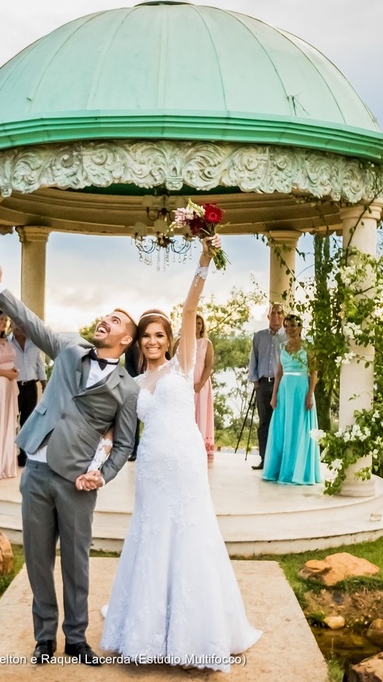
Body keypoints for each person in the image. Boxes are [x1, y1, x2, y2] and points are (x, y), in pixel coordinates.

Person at [97, 238, 262, 671]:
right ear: (138, 343)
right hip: (151, 465)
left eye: (159, 335)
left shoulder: (182, 365)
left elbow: (190, 310)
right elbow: (118, 433)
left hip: (186, 462)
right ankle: (146, 633)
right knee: (152, 536)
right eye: (147, 336)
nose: (153, 342)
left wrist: (204, 260)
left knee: (191, 535)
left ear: (170, 339)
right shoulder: (130, 384)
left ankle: (197, 636)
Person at [0, 266, 139, 666]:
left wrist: (101, 475)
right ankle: (42, 639)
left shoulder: (127, 388)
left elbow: (124, 443)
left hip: (77, 481)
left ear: (126, 340)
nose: (106, 321)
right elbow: (32, 325)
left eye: (116, 320)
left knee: (76, 562)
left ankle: (76, 639)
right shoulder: (70, 348)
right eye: (107, 315)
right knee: (37, 560)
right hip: (35, 469)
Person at [262, 314, 321, 485]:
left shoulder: (308, 346)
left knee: (299, 428)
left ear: (300, 327)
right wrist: (274, 395)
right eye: (286, 326)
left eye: (293, 326)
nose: (289, 329)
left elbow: (314, 372)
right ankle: (279, 469)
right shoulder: (282, 346)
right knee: (283, 428)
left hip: (301, 389)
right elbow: (278, 373)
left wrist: (310, 394)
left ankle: (299, 471)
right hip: (284, 390)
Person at [247, 302, 286, 470]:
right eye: (273, 313)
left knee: (281, 422)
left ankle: (280, 461)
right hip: (263, 384)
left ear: (283, 316)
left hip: (283, 386)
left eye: (280, 313)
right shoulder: (259, 336)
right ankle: (265, 459)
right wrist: (256, 383)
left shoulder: (288, 336)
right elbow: (253, 359)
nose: (276, 316)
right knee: (264, 423)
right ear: (268, 316)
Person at [9, 320, 46, 468]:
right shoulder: (7, 343)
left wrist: (44, 383)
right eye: (15, 323)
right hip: (13, 387)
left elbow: (40, 364)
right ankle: (8, 455)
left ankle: (24, 456)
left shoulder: (34, 343)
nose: (18, 327)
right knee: (11, 421)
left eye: (20, 324)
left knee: (28, 422)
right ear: (11, 326)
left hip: (30, 386)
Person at [0, 310, 20, 479]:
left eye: (6, 320)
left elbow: (10, 360)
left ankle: (5, 465)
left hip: (10, 387)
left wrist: (14, 370)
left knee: (8, 423)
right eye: (1, 319)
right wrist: (5, 373)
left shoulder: (6, 341)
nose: (4, 322)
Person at [193, 313, 217, 464]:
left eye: (199, 323)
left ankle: (201, 450)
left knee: (201, 414)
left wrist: (200, 384)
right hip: (185, 384)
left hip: (201, 385)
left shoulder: (206, 343)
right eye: (194, 322)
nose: (197, 325)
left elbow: (209, 365)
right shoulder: (180, 342)